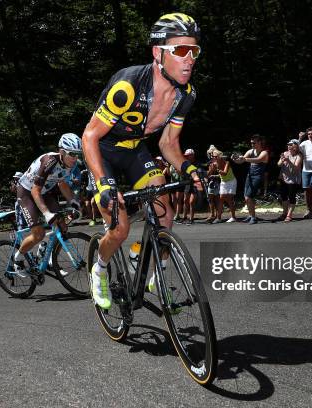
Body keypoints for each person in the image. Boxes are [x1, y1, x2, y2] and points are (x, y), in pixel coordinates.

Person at [82, 13, 202, 309]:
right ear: (158, 53)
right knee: (119, 227)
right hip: (104, 151)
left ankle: (152, 273)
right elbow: (89, 137)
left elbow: (168, 143)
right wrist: (103, 183)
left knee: (165, 214)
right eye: (181, 51)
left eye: (194, 51)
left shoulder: (185, 95)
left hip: (135, 150)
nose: (190, 59)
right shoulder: (128, 86)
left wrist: (188, 168)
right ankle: (98, 269)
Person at [13, 133, 83, 277]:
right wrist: (46, 213)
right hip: (27, 192)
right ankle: (17, 258)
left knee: (62, 225)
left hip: (44, 191)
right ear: (62, 152)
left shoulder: (70, 163)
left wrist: (73, 201)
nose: (75, 158)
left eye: (78, 154)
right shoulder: (49, 161)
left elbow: (61, 182)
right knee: (39, 234)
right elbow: (35, 190)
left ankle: (49, 258)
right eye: (72, 154)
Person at [232, 135, 269, 224]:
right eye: (251, 142)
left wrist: (244, 158)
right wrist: (235, 159)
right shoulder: (250, 151)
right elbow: (241, 161)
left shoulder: (264, 152)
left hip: (258, 176)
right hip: (250, 175)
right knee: (246, 197)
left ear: (259, 142)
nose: (252, 144)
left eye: (254, 142)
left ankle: (253, 217)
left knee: (249, 196)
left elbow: (258, 160)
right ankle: (251, 215)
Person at [277, 139, 303, 222]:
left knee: (292, 196)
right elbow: (278, 164)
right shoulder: (285, 153)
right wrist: (282, 160)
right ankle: (284, 213)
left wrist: (288, 161)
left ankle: (289, 214)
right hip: (283, 178)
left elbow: (296, 168)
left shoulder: (299, 156)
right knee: (283, 196)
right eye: (288, 144)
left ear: (296, 146)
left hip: (293, 179)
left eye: (291, 145)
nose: (289, 146)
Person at [212, 149, 237, 223]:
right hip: (223, 182)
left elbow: (225, 173)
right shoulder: (215, 163)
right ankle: (218, 218)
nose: (214, 158)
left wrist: (217, 169)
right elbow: (210, 173)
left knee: (229, 198)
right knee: (221, 198)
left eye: (215, 156)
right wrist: (211, 172)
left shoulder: (227, 162)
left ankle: (233, 217)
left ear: (220, 156)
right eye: (213, 156)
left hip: (231, 181)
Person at [180, 149, 197, 224]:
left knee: (191, 202)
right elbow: (183, 175)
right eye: (185, 156)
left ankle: (191, 218)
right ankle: (184, 217)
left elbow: (199, 174)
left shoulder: (197, 163)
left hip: (195, 184)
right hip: (187, 184)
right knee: (185, 200)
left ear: (192, 155)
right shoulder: (185, 164)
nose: (186, 157)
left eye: (187, 156)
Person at [204, 146, 221, 223]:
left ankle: (217, 215)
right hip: (211, 182)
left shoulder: (218, 161)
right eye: (210, 153)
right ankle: (212, 214)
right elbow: (208, 173)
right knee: (210, 199)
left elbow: (211, 172)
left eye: (212, 153)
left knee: (217, 199)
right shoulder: (210, 162)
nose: (211, 155)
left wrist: (208, 174)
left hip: (217, 181)